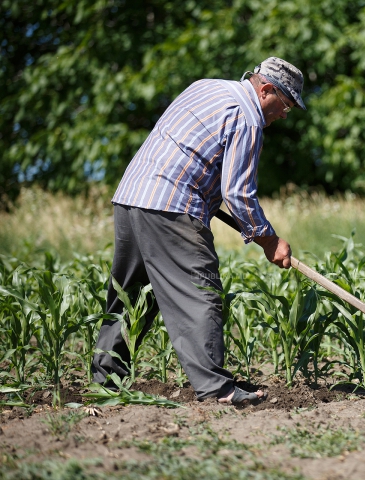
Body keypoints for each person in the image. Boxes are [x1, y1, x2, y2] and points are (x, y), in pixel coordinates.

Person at [91, 57, 306, 407]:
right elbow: (238, 193)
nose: (285, 115)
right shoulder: (247, 117)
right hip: (172, 207)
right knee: (200, 292)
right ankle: (217, 389)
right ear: (266, 89)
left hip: (131, 197)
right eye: (286, 105)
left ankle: (105, 382)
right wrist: (269, 241)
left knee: (132, 297)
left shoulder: (206, 86)